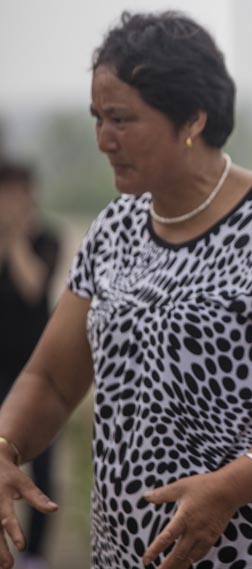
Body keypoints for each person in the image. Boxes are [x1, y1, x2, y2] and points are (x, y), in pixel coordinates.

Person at [0, 11, 252, 569]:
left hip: (249, 551)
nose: (103, 139)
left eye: (121, 119)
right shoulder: (114, 228)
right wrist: (5, 447)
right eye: (97, 118)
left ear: (192, 118)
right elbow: (49, 379)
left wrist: (233, 486)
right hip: (122, 554)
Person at [0, 163, 60, 569]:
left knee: (44, 464)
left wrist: (15, 236)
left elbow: (33, 285)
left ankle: (34, 554)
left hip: (36, 366)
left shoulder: (46, 239)